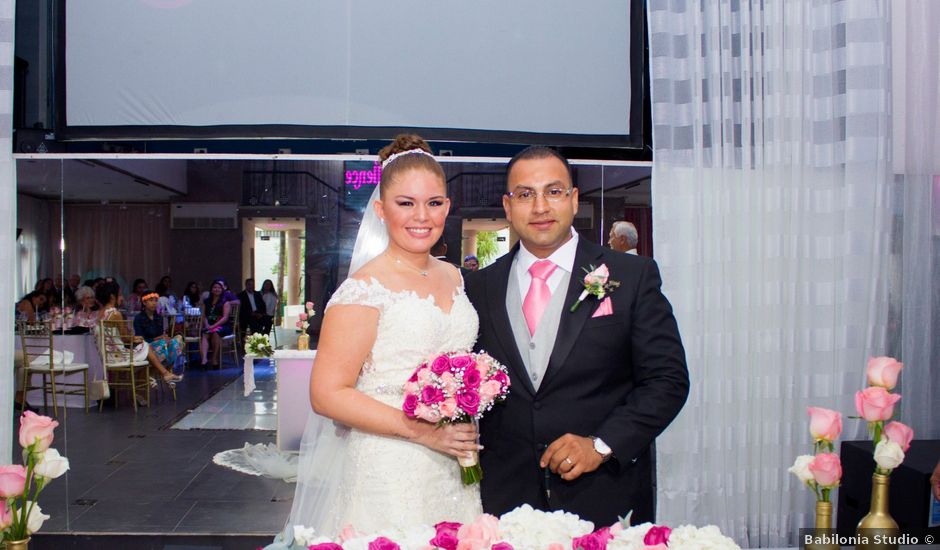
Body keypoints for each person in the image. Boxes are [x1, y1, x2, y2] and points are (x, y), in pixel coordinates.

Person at [268, 134, 480, 546]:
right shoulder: (364, 289)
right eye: (406, 203)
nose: (422, 216)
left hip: (453, 462)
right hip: (388, 466)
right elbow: (327, 395)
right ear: (382, 210)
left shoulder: (454, 276)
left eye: (434, 203)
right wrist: (421, 431)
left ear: (448, 207)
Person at [465, 146, 689, 528]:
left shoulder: (631, 276)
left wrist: (601, 445)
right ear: (507, 205)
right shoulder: (477, 287)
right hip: (503, 498)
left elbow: (667, 381)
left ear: (572, 199)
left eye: (553, 192)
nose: (539, 207)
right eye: (524, 194)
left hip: (602, 495)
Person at [97, 282, 182, 386]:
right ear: (112, 296)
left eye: (156, 300)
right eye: (120, 294)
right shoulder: (115, 314)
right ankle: (160, 374)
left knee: (171, 342)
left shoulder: (99, 313)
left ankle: (159, 375)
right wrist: (135, 339)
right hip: (117, 355)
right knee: (146, 346)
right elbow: (126, 339)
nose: (122, 298)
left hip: (106, 355)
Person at [133, 290, 184, 373]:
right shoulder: (139, 318)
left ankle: (168, 369)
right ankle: (158, 371)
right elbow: (140, 340)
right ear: (144, 302)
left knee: (176, 341)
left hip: (159, 344)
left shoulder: (159, 318)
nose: (154, 303)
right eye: (151, 300)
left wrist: (165, 338)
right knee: (162, 344)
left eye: (156, 300)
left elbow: (161, 335)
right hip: (145, 346)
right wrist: (158, 339)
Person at [200, 280, 234, 368]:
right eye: (215, 287)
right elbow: (203, 315)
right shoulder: (206, 301)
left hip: (223, 325)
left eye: (219, 288)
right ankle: (204, 360)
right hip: (210, 324)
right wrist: (207, 325)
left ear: (222, 290)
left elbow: (225, 318)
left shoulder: (225, 302)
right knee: (205, 334)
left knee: (215, 333)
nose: (217, 289)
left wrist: (213, 326)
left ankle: (214, 359)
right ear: (211, 289)